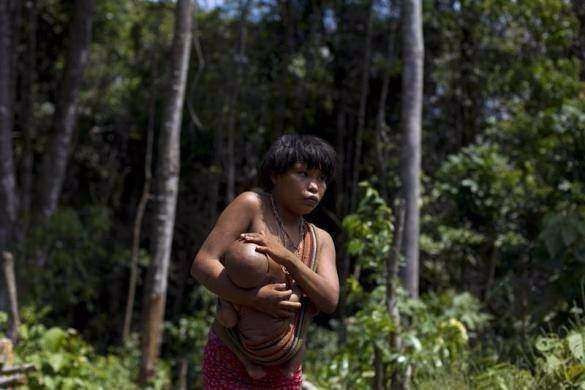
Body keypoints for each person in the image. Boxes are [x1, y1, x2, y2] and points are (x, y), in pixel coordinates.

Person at [191, 134, 339, 389]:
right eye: (303, 174)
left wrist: (289, 259)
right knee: (247, 258)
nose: (314, 186)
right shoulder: (252, 205)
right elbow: (203, 264)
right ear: (275, 175)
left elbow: (329, 300)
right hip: (229, 357)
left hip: (284, 368)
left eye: (321, 178)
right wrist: (253, 299)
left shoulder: (321, 239)